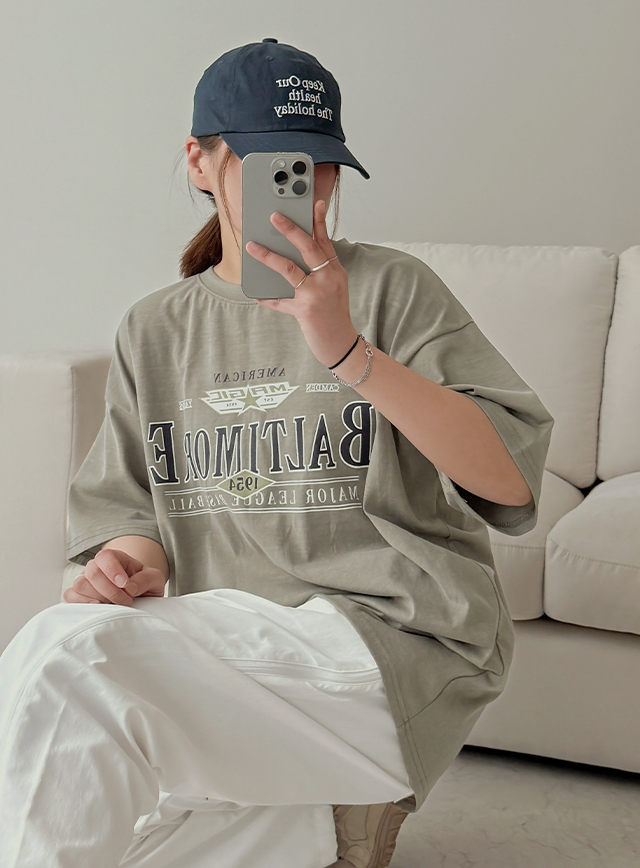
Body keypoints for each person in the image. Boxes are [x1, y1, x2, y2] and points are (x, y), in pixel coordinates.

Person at [0, 38, 554, 868]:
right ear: (200, 162)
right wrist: (128, 566)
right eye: (274, 164)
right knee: (103, 808)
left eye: (320, 165)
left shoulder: (391, 289)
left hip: (394, 639)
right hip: (240, 654)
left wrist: (348, 352)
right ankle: (319, 827)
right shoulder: (156, 328)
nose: (308, 187)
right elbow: (132, 509)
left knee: (68, 660)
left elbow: (509, 481)